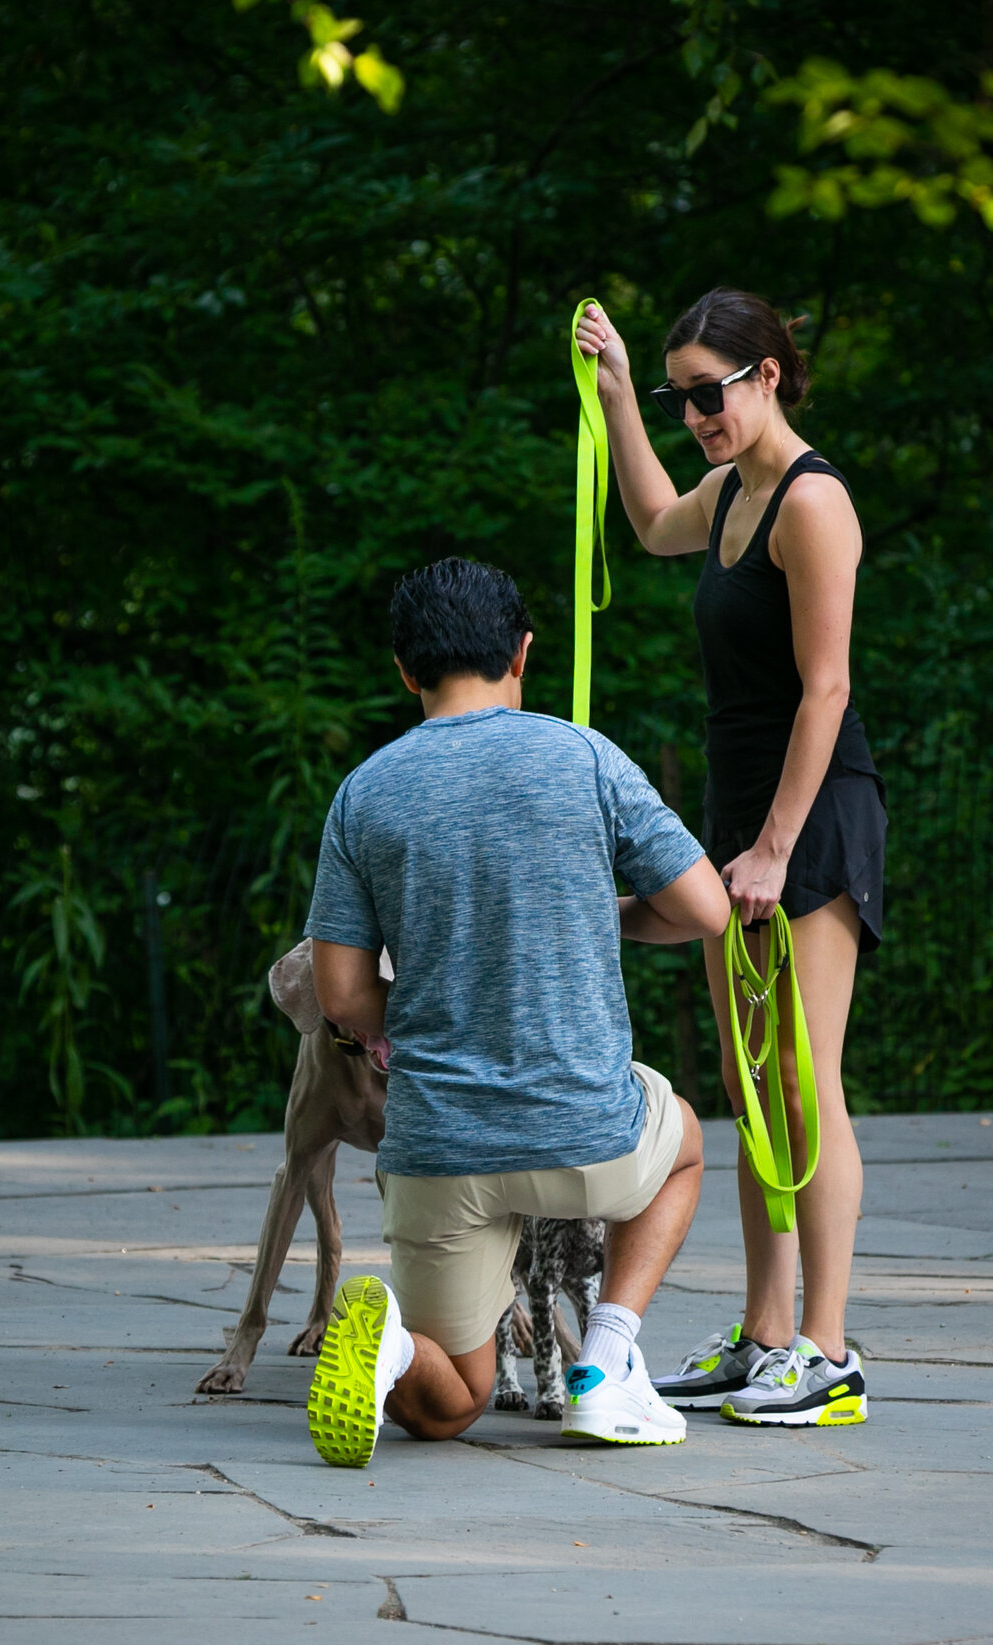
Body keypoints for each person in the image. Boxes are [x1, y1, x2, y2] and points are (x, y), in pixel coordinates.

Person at [301, 556, 734, 1467]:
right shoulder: (585, 756)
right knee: (687, 1142)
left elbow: (340, 995)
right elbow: (705, 908)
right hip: (584, 1136)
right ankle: (607, 1360)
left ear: (406, 670)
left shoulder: (364, 793)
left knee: (450, 1404)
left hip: (440, 1147)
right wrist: (605, 913)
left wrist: (435, 1000)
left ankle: (392, 1351)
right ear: (524, 653)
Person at [574, 287, 884, 1428]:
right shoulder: (729, 492)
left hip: (810, 817)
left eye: (709, 394)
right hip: (740, 815)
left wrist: (772, 848)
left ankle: (828, 1350)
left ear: (768, 375)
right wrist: (619, 394)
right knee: (752, 1079)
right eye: (682, 398)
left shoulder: (812, 501)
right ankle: (764, 1335)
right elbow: (653, 520)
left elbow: (826, 689)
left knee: (803, 1080)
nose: (697, 416)